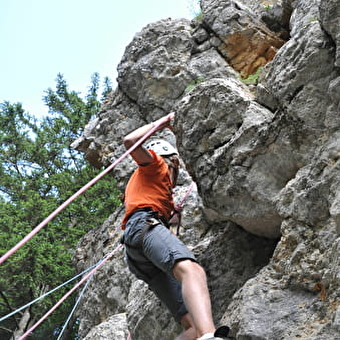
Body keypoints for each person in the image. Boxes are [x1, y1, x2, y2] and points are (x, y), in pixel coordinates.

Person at [121, 113, 233, 340]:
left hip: (137, 250)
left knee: (191, 326)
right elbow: (130, 142)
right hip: (144, 227)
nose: (177, 173)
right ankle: (210, 337)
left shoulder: (150, 185)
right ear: (170, 160)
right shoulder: (155, 165)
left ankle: (202, 334)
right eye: (177, 166)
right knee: (192, 271)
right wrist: (162, 123)